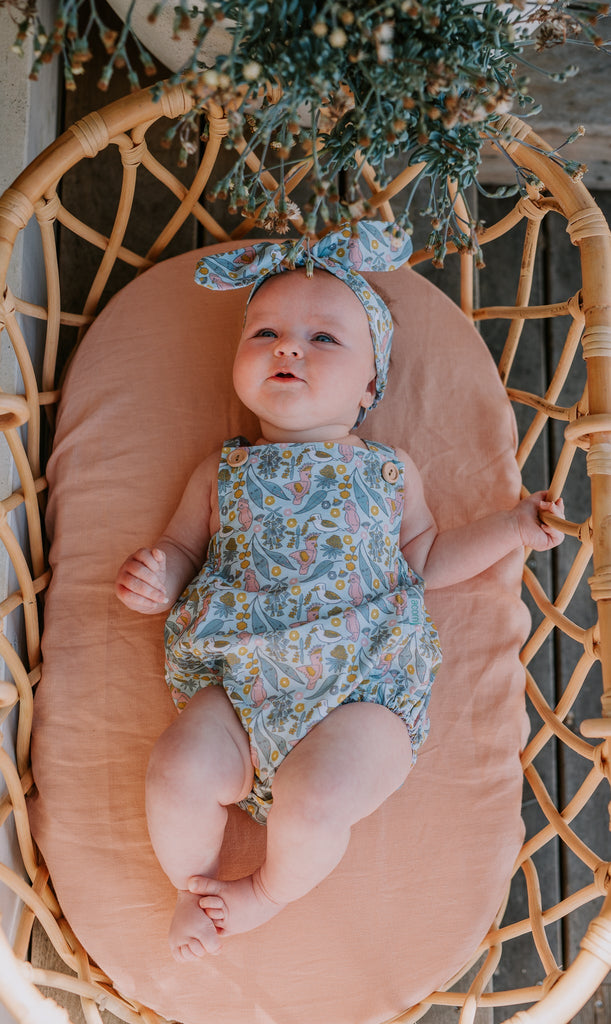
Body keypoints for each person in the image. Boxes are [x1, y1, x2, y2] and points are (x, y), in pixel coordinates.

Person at [115, 221, 564, 963]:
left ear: (370, 386)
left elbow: (426, 559)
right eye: (265, 333)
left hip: (363, 690)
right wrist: (158, 574)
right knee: (176, 768)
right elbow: (183, 549)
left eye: (323, 339)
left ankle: (264, 893)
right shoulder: (220, 472)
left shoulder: (387, 472)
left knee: (316, 804)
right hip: (241, 687)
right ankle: (191, 887)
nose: (287, 348)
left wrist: (512, 528)